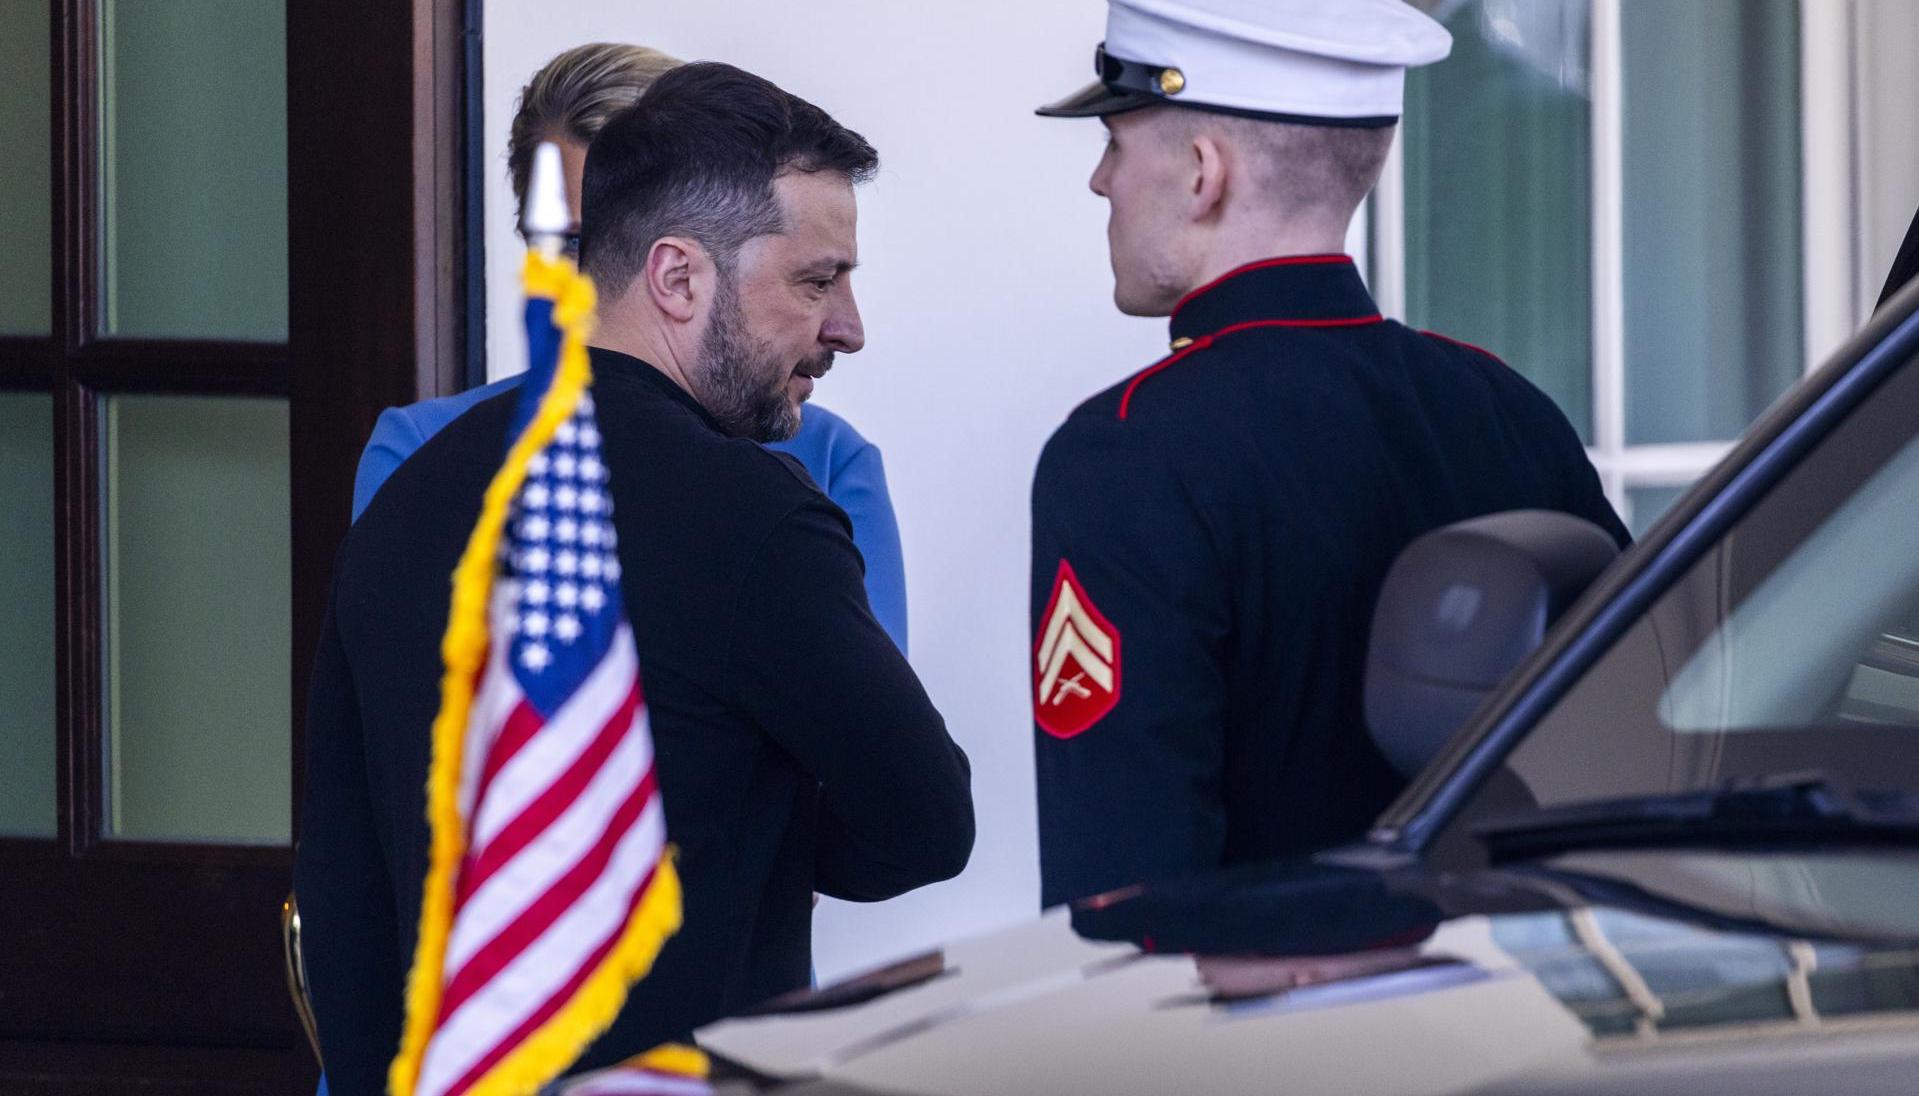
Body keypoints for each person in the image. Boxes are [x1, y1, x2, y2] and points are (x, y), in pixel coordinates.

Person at [294, 63, 974, 1095]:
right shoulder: (759, 514)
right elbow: (925, 822)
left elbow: (344, 891)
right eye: (815, 279)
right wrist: (764, 821)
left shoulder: (407, 502)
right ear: (678, 277)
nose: (847, 325)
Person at [1026, 0, 1629, 909]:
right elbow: (1625, 740)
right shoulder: (1507, 408)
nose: (1100, 182)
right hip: (1503, 1000)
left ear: (1201, 173)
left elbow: (1122, 876)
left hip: (1263, 1031)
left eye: (1114, 143)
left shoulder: (1126, 453)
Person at [353, 43, 910, 652]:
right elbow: (398, 707)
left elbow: (872, 730)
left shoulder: (830, 458)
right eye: (574, 245)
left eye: (638, 240)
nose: (605, 281)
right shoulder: (422, 450)